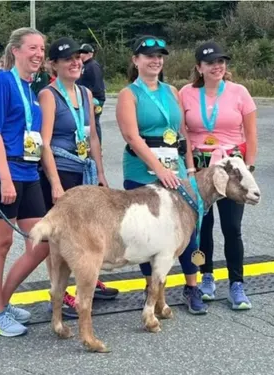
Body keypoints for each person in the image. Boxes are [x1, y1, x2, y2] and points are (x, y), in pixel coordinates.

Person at [116, 35, 208, 315]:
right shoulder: (128, 94)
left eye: (159, 56)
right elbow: (132, 136)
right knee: (148, 234)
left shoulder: (171, 91)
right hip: (143, 171)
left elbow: (183, 133)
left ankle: (192, 286)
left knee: (187, 229)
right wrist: (159, 170)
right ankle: (152, 289)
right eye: (148, 56)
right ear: (136, 60)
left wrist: (189, 167)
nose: (155, 61)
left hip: (176, 168)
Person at [38, 37, 118, 318]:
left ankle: (89, 279)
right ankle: (58, 294)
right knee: (61, 239)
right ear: (54, 65)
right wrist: (56, 184)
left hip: (84, 169)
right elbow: (44, 142)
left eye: (78, 58)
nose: (75, 63)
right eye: (67, 59)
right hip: (61, 169)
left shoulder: (86, 94)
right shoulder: (48, 95)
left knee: (89, 230)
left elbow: (93, 137)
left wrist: (101, 173)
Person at [0, 27, 50, 337]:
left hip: (30, 173)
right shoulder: (2, 82)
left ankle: (0, 302)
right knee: (1, 244)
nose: (38, 54)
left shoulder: (30, 89)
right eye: (32, 48)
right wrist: (5, 179)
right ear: (16, 51)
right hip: (6, 172)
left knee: (42, 243)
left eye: (42, 50)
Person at [179, 41, 257, 310]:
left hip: (231, 168)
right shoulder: (186, 93)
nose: (217, 67)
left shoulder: (239, 92)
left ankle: (237, 284)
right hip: (200, 170)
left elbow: (252, 135)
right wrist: (189, 167)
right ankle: (206, 276)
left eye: (221, 62)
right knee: (202, 228)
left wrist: (249, 169)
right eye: (211, 63)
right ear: (199, 67)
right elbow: (184, 134)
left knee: (232, 228)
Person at [77, 43, 106, 144]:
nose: (80, 55)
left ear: (90, 54)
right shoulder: (85, 65)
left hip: (95, 99)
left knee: (94, 122)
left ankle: (98, 144)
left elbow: (97, 85)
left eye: (83, 52)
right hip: (85, 98)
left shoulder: (93, 66)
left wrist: (93, 99)